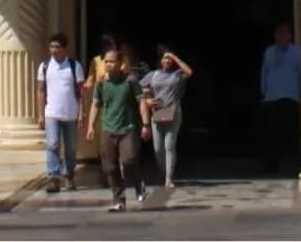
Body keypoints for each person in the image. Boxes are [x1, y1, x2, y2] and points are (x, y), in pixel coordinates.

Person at [90, 43, 144, 212]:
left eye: (112, 62)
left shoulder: (130, 81)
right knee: (110, 167)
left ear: (121, 63)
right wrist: (91, 126)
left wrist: (146, 124)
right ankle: (118, 199)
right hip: (108, 129)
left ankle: (138, 182)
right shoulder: (101, 84)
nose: (108, 65)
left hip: (127, 129)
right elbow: (96, 104)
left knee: (128, 160)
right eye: (106, 61)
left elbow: (141, 101)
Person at [36, 34, 87, 194]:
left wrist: (81, 113)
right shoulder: (44, 66)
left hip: (70, 113)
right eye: (51, 47)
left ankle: (69, 174)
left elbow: (81, 92)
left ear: (64, 48)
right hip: (52, 113)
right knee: (53, 144)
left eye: (57, 47)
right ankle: (53, 177)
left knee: (71, 148)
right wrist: (40, 115)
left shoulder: (74, 66)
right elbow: (40, 90)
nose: (54, 50)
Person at [139, 48, 193, 189]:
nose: (167, 60)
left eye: (169, 59)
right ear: (160, 61)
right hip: (157, 113)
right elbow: (139, 88)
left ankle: (169, 178)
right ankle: (164, 172)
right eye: (164, 58)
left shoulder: (177, 74)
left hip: (174, 112)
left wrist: (175, 56)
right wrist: (147, 97)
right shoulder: (153, 74)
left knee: (169, 145)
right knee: (158, 148)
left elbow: (189, 72)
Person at [258, 23, 301, 176]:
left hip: (291, 96)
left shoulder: (297, 52)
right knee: (271, 133)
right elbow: (265, 72)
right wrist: (264, 93)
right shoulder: (269, 52)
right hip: (272, 98)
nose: (281, 36)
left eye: (284, 34)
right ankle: (271, 164)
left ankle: (297, 163)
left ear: (289, 36)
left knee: (292, 131)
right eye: (279, 34)